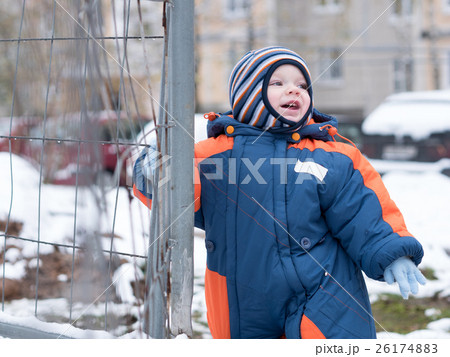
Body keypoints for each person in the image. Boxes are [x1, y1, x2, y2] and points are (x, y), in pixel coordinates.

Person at [133, 46, 426, 339]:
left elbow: (363, 210)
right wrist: (154, 172)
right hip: (240, 293)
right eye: (278, 83)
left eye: (302, 85)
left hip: (323, 287)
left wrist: (392, 253)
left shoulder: (332, 156)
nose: (294, 91)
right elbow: (181, 199)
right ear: (248, 94)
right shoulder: (214, 156)